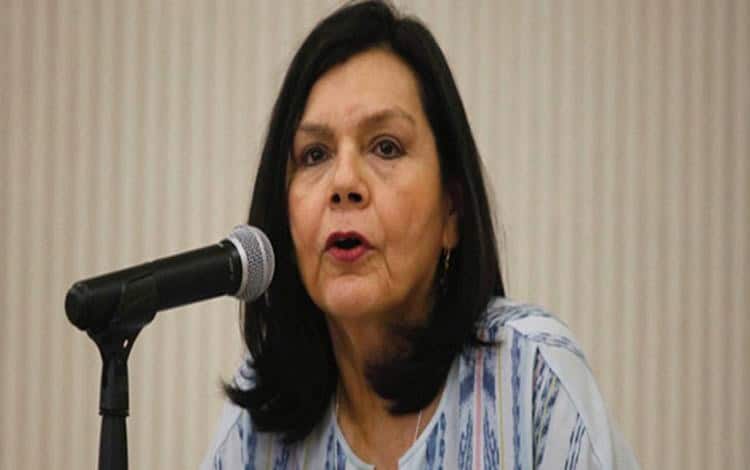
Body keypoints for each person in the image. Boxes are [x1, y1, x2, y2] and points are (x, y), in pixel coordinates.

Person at [202, 1, 638, 469]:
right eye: (314, 154)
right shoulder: (257, 420)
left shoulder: (531, 376)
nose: (344, 182)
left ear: (452, 209)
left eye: (386, 147)